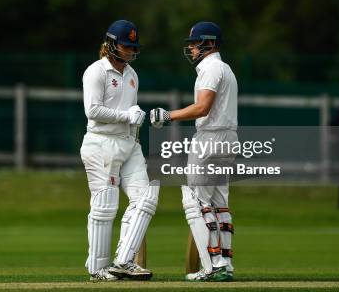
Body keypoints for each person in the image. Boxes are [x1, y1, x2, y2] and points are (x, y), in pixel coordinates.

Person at [150, 21, 236, 282]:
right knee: (220, 204)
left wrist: (168, 116)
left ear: (208, 43)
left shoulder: (210, 68)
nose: (192, 48)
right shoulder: (226, 68)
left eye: (195, 43)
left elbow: (202, 108)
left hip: (210, 138)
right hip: (229, 138)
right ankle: (225, 264)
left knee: (198, 203)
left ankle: (212, 266)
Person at [80, 19, 159, 281]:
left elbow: (130, 115)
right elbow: (92, 111)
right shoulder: (96, 71)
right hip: (101, 143)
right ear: (112, 45)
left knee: (146, 197)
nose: (131, 51)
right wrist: (127, 115)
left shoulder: (132, 75)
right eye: (126, 46)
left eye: (133, 47)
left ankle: (123, 261)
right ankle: (97, 269)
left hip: (128, 144)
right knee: (105, 206)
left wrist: (133, 129)